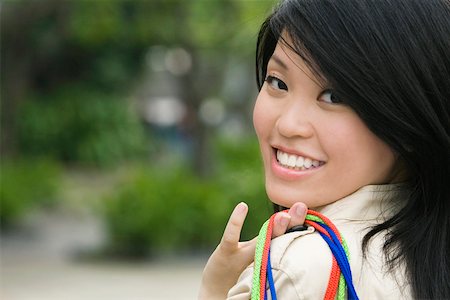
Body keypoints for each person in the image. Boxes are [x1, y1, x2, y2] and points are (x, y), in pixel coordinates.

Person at [199, 0, 450, 299]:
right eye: (278, 83)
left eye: (333, 96)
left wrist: (215, 289)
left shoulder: (297, 270)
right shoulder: (426, 255)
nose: (289, 124)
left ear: (408, 118)